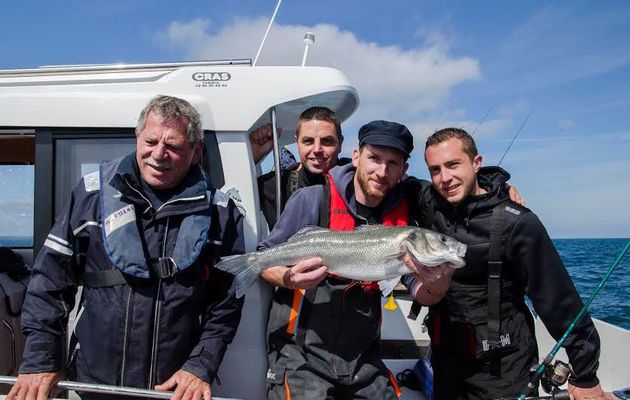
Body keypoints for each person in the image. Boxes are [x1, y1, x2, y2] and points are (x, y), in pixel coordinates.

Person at [8, 95, 245, 400]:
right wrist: (42, 361)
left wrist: (200, 366)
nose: (158, 154)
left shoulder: (221, 214)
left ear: (196, 151)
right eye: (151, 141)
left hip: (172, 390)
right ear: (137, 137)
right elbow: (49, 283)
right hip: (93, 385)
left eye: (172, 146)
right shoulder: (90, 197)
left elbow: (227, 303)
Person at [402, 127, 607, 400]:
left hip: (503, 367)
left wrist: (586, 374)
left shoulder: (518, 222)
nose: (445, 178)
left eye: (453, 165)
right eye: (435, 170)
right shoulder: (428, 201)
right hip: (446, 359)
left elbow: (558, 301)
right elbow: (379, 174)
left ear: (476, 163)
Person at [258, 120, 451, 399]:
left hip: (364, 358)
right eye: (374, 158)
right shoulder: (312, 199)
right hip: (302, 355)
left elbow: (421, 290)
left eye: (393, 163)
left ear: (403, 170)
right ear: (357, 156)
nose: (382, 171)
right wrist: (287, 278)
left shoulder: (404, 221)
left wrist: (438, 284)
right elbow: (265, 259)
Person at [250, 106, 349, 228]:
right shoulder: (277, 185)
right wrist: (252, 155)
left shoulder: (356, 179)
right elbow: (231, 195)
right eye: (308, 141)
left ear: (340, 143)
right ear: (297, 143)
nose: (317, 149)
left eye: (326, 141)